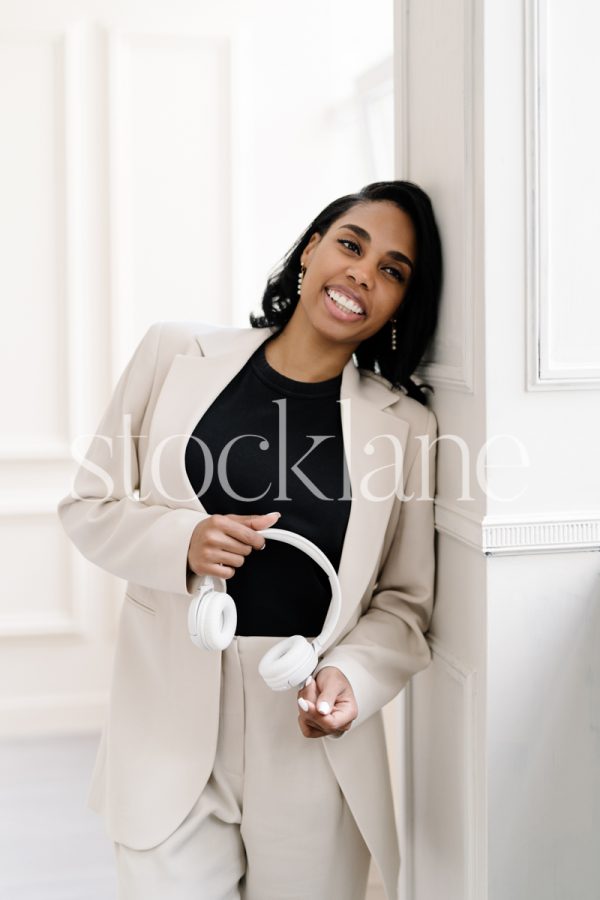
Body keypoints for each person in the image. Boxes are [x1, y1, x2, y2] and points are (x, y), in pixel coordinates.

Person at [57, 179, 442, 900]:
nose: (363, 272)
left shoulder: (407, 431)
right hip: (165, 727)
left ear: (399, 306)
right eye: (350, 245)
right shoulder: (174, 353)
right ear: (310, 252)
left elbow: (403, 606)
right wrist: (183, 539)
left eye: (393, 270)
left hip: (306, 732)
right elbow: (89, 505)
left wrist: (350, 682)